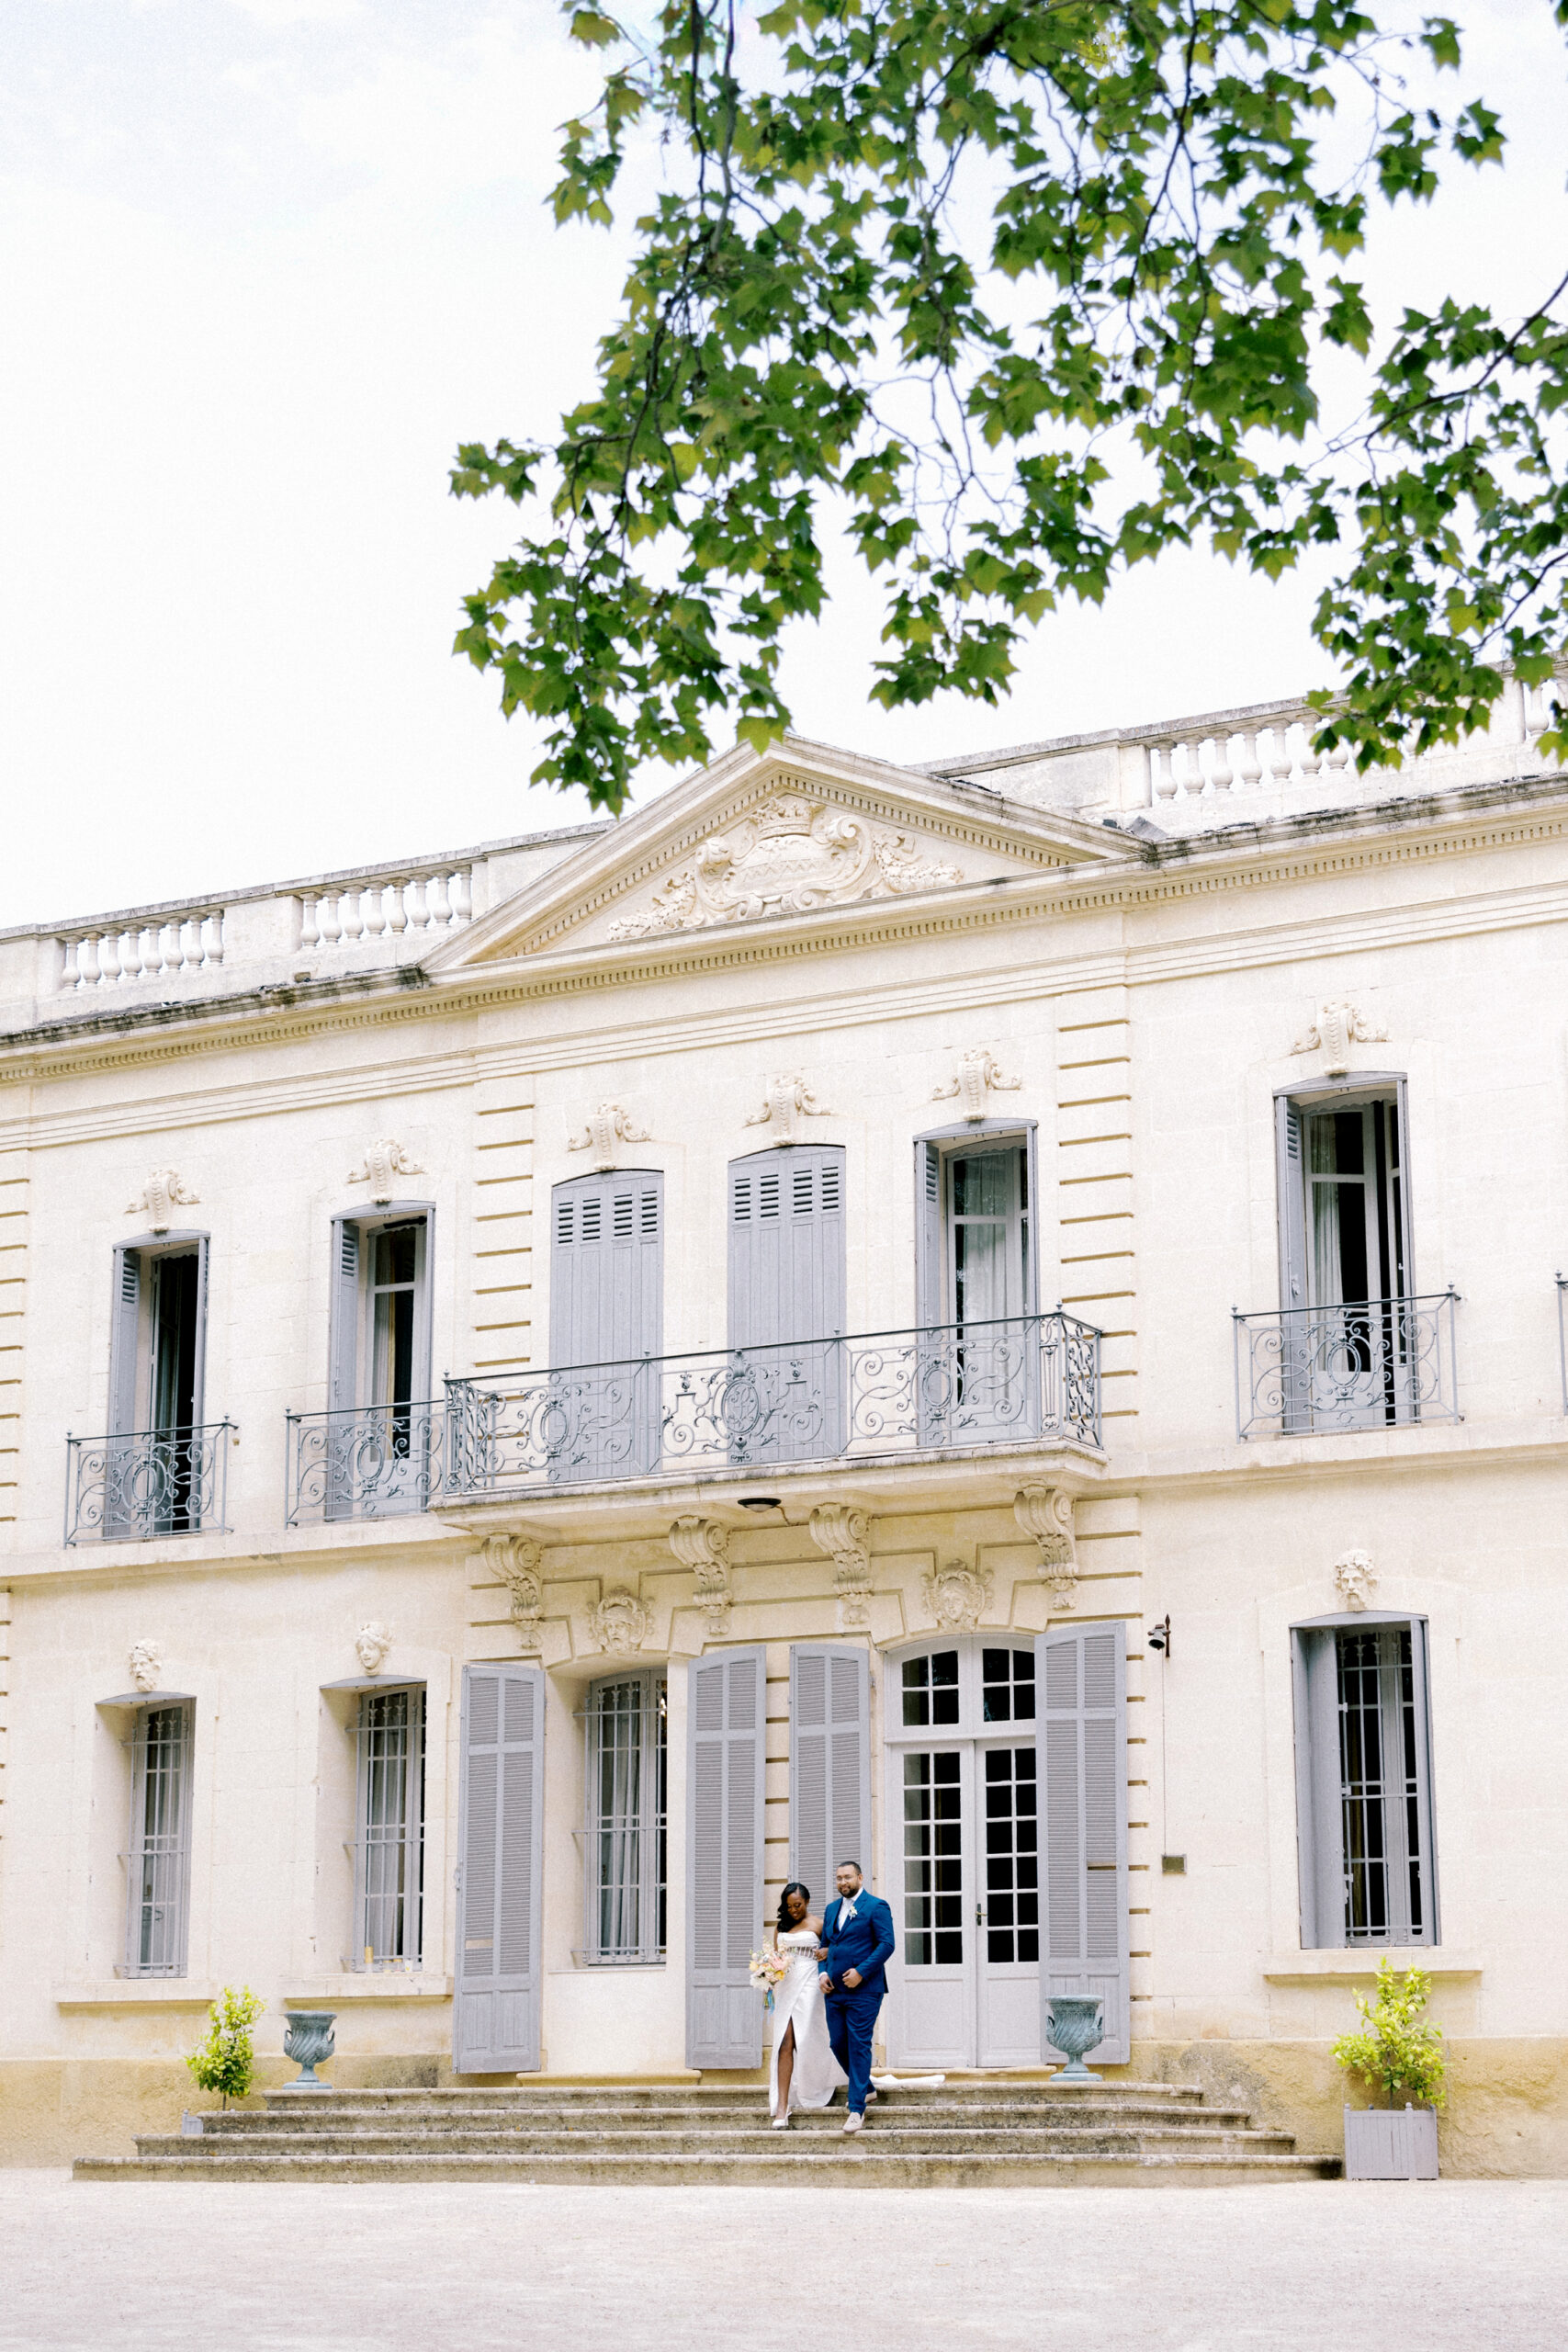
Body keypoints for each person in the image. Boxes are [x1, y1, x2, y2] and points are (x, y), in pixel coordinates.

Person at [818, 1860, 896, 2135]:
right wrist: (822, 1974)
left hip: (864, 1990)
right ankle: (868, 2088)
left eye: (847, 1877)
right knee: (837, 2042)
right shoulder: (830, 1910)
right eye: (838, 1878)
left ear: (860, 1878)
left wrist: (862, 1972)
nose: (842, 1882)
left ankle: (856, 2108)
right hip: (834, 1991)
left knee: (859, 2044)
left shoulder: (876, 1907)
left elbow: (887, 1944)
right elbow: (825, 1947)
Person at [767, 1882, 847, 2128]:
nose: (793, 1911)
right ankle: (782, 2106)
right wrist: (767, 1975)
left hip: (811, 1984)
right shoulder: (781, 1927)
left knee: (809, 2039)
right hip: (787, 1986)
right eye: (789, 1906)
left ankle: (817, 2085)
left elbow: (835, 1948)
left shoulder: (819, 1924)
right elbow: (776, 1957)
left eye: (798, 1905)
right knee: (784, 2042)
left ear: (807, 1902)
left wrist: (825, 1951)